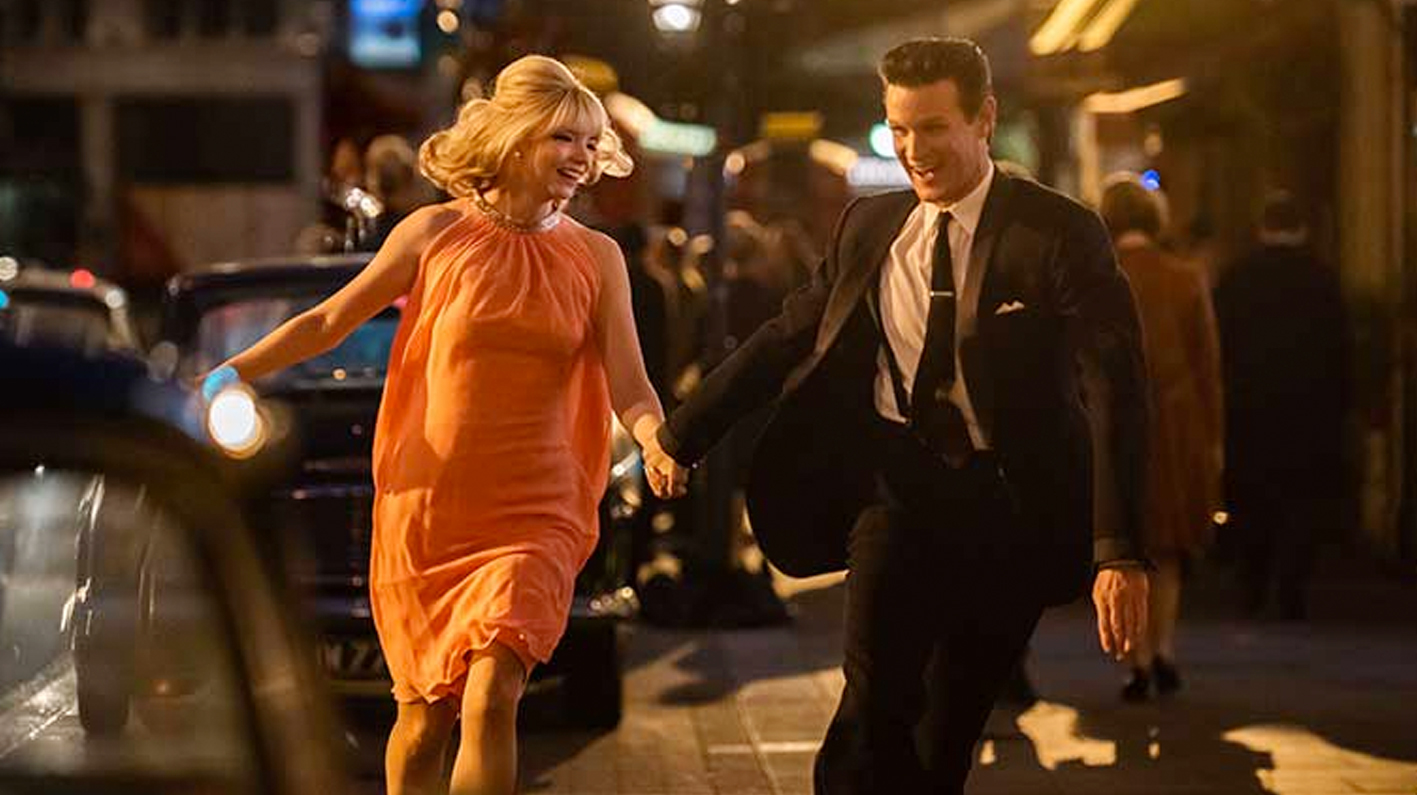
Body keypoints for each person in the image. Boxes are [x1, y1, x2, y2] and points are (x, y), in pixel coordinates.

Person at [643, 38, 1151, 794]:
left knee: (943, 740)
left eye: (934, 128)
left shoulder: (1057, 233)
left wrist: (1119, 551)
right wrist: (683, 433)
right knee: (871, 708)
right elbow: (785, 335)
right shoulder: (869, 226)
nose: (915, 150)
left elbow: (1115, 386)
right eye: (900, 129)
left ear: (984, 119)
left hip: (1011, 510)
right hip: (895, 495)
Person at [200, 55, 678, 795]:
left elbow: (631, 384)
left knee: (491, 697)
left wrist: (654, 441)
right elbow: (327, 321)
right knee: (424, 721)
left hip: (539, 508)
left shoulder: (597, 257)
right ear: (516, 138)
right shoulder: (434, 234)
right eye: (563, 138)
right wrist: (224, 375)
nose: (582, 158)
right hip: (432, 509)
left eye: (591, 143)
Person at [1100, 174, 1223, 700]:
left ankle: (1136, 660)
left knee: (1124, 545)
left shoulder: (1101, 277)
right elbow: (1207, 364)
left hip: (1113, 425)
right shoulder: (1185, 277)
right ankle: (1164, 648)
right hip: (1175, 425)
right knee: (1168, 548)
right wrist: (1213, 440)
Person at [1214, 189, 1347, 620]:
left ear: (1262, 228)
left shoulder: (1237, 278)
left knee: (1252, 497)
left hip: (1248, 409)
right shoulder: (1322, 281)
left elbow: (1218, 346)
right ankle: (1292, 585)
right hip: (1309, 411)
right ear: (1303, 229)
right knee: (1301, 500)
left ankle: (1252, 583)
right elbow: (1339, 352)